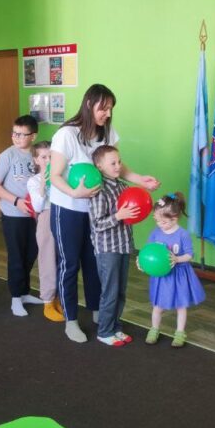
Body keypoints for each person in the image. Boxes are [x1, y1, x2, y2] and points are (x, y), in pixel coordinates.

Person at [49, 83, 159, 343]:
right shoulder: (66, 134)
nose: (107, 114)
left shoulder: (107, 132)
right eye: (103, 108)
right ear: (89, 104)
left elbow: (116, 165)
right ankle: (71, 319)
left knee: (93, 263)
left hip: (97, 209)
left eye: (110, 109)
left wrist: (140, 180)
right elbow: (54, 175)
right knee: (69, 264)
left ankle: (100, 312)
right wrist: (74, 193)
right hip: (68, 209)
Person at [0, 115, 46, 316]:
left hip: (34, 214)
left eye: (22, 134)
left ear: (33, 136)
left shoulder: (37, 155)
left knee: (31, 253)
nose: (16, 137)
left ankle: (24, 292)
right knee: (17, 256)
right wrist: (16, 201)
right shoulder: (8, 156)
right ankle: (15, 298)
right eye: (14, 133)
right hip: (13, 214)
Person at [88, 145, 139, 346]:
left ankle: (116, 327)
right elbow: (97, 224)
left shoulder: (123, 187)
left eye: (119, 162)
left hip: (124, 245)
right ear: (99, 166)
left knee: (121, 291)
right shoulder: (98, 190)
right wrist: (118, 216)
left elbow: (132, 213)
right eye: (113, 163)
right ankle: (104, 331)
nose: (118, 166)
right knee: (110, 291)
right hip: (107, 249)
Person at [142, 192, 205, 348]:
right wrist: (141, 262)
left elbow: (189, 255)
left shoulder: (183, 234)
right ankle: (154, 329)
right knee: (158, 305)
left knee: (181, 305)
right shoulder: (156, 233)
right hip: (161, 276)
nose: (159, 224)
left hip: (179, 275)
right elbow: (147, 252)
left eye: (163, 221)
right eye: (157, 220)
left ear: (174, 218)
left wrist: (177, 259)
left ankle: (180, 333)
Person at [27, 141, 64, 321]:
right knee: (47, 259)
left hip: (63, 215)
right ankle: (48, 301)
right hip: (46, 217)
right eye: (43, 157)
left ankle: (59, 298)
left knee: (63, 260)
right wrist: (43, 182)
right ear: (36, 160)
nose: (48, 160)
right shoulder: (33, 181)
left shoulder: (61, 176)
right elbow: (37, 206)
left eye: (51, 156)